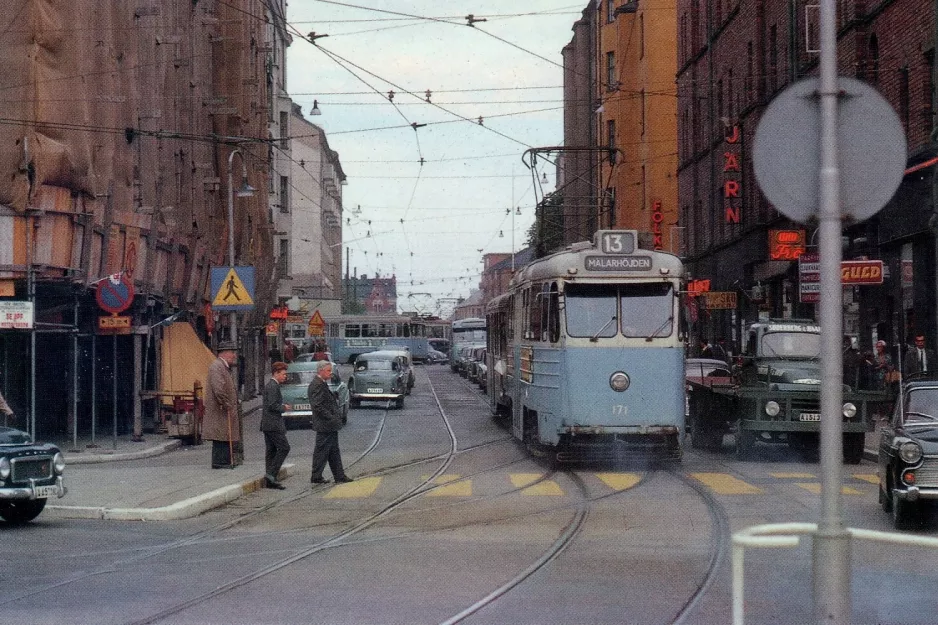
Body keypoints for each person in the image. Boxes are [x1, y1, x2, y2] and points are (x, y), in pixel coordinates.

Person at [308, 360, 353, 485]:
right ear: (321, 371)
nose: (330, 374)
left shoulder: (321, 383)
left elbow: (324, 400)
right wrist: (331, 417)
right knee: (321, 451)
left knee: (333, 451)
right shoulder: (317, 384)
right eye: (328, 371)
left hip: (329, 426)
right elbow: (317, 406)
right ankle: (316, 476)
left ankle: (339, 476)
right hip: (324, 425)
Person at [204, 341, 242, 468]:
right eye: (232, 353)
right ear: (225, 353)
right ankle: (219, 462)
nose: (234, 356)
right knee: (221, 435)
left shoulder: (223, 367)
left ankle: (224, 461)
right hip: (220, 409)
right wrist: (227, 404)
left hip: (223, 409)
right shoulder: (217, 367)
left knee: (225, 434)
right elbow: (219, 389)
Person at [260, 361, 291, 489]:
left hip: (268, 424)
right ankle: (271, 475)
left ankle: (270, 480)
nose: (285, 376)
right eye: (283, 374)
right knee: (284, 448)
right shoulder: (273, 386)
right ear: (276, 373)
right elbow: (272, 405)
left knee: (271, 451)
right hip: (273, 425)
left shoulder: (272, 385)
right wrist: (284, 407)